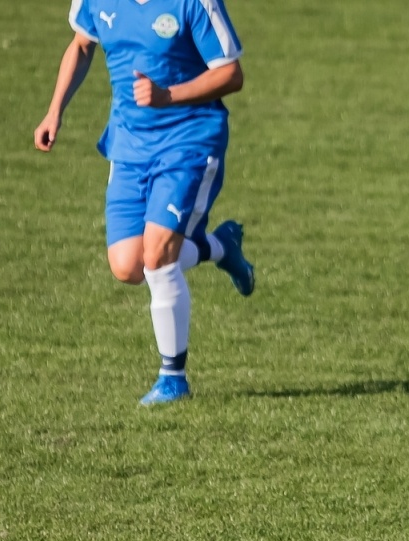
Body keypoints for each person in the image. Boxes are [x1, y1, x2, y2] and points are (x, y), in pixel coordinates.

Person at [34, 0, 256, 405]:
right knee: (128, 266)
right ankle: (221, 247)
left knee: (157, 256)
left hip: (189, 139)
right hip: (129, 144)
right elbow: (82, 45)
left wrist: (168, 96)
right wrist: (54, 112)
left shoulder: (194, 2)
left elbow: (230, 73)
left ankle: (173, 378)